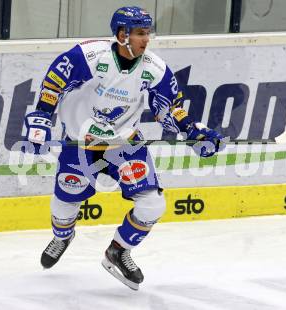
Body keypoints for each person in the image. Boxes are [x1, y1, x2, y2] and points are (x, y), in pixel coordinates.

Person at [23, 6, 224, 290]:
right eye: (140, 33)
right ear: (121, 35)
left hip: (124, 142)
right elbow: (55, 81)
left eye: (148, 33)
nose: (146, 40)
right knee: (65, 201)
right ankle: (62, 235)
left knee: (153, 204)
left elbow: (170, 109)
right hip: (82, 141)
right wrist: (42, 116)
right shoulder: (89, 56)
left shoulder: (155, 69)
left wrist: (193, 131)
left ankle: (118, 250)